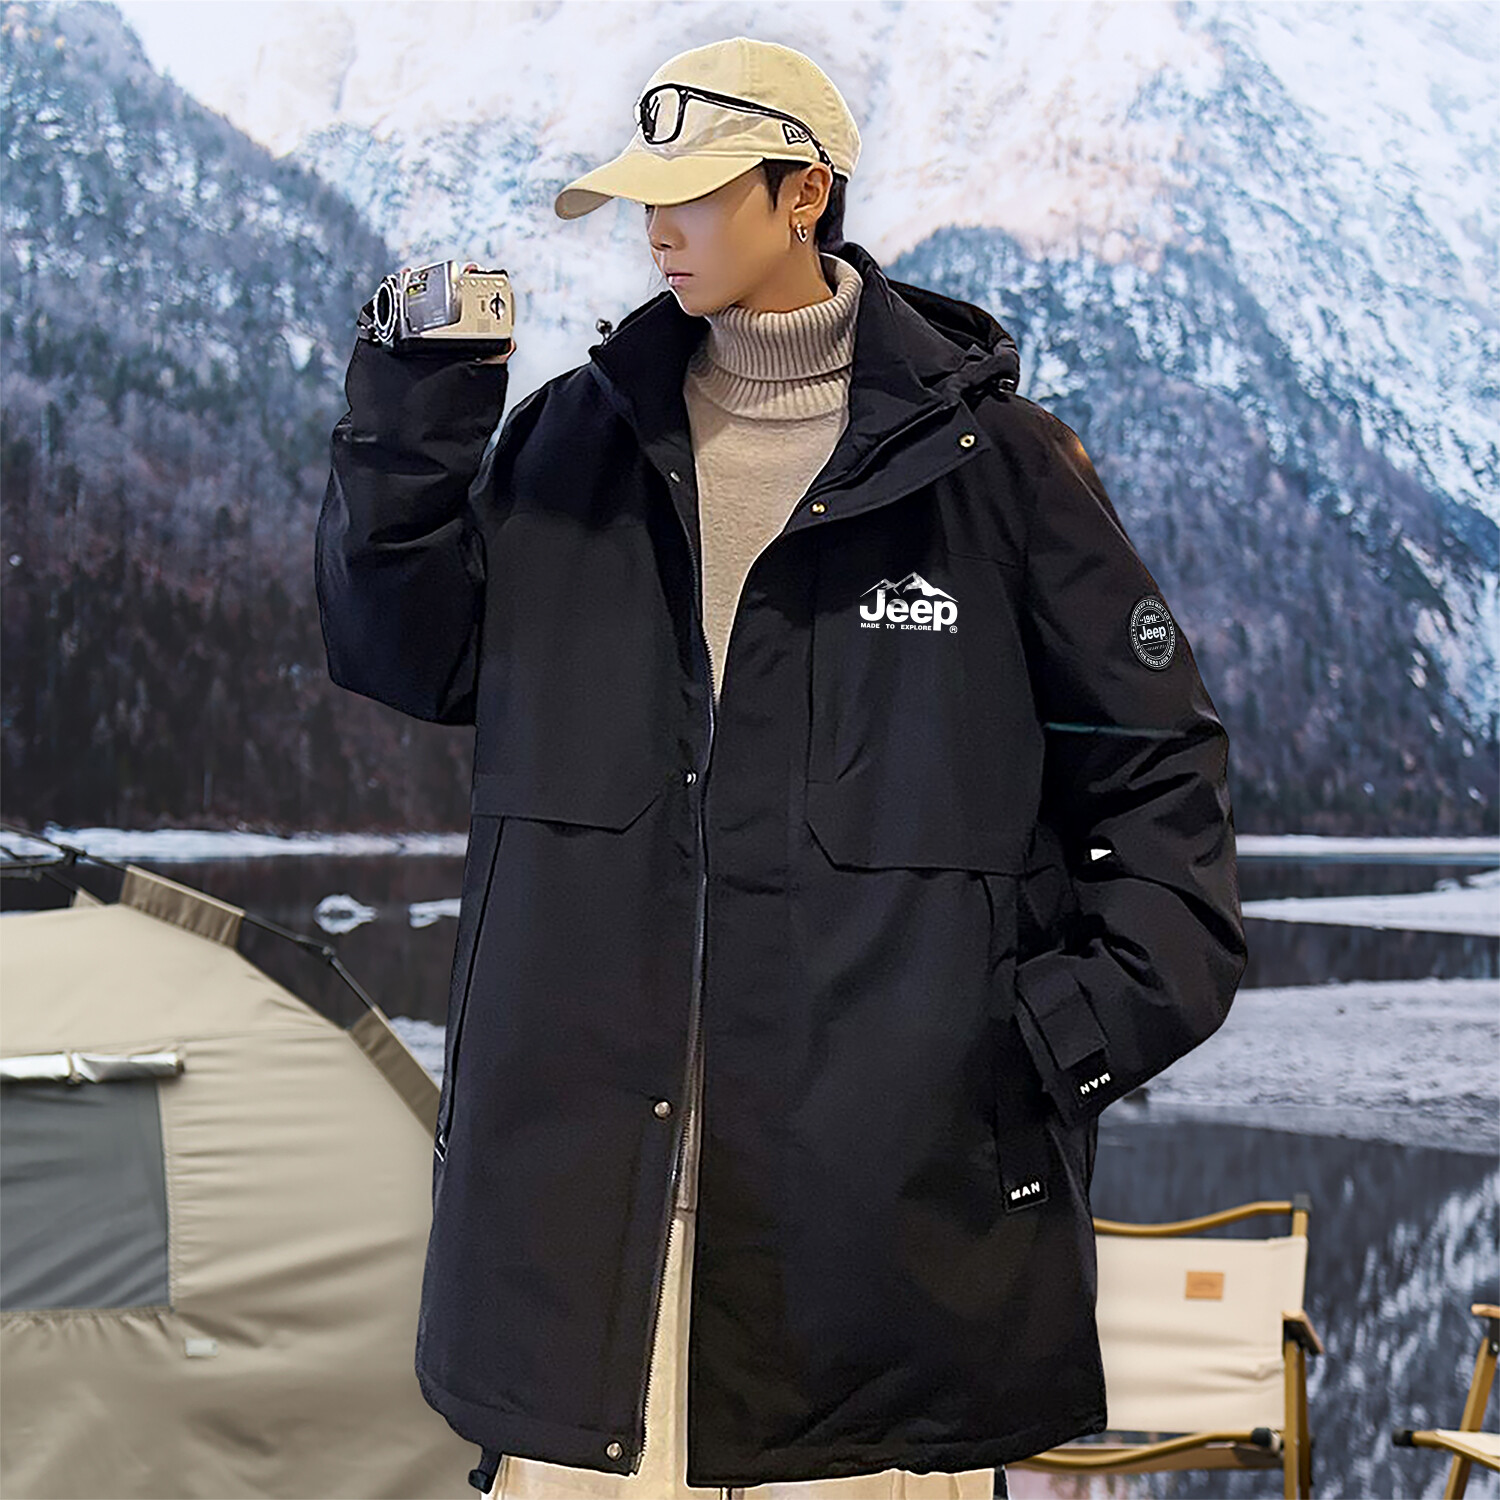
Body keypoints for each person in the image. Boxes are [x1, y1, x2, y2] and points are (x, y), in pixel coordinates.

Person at [316, 32, 1244, 1500]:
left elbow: (1164, 784)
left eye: (692, 192)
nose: (656, 227)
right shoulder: (574, 441)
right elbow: (403, 655)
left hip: (880, 1270)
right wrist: (411, 414)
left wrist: (1035, 1053)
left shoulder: (995, 471)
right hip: (586, 1255)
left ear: (804, 193)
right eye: (643, 196)